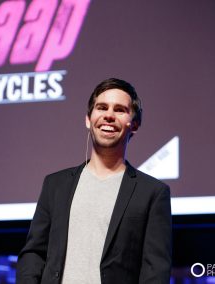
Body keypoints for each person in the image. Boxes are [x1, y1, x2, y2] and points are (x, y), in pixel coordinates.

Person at [16, 78, 172, 284]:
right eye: (102, 107)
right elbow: (34, 254)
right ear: (89, 119)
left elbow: (156, 271)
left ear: (133, 125)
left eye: (119, 109)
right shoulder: (55, 185)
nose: (108, 115)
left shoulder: (152, 193)